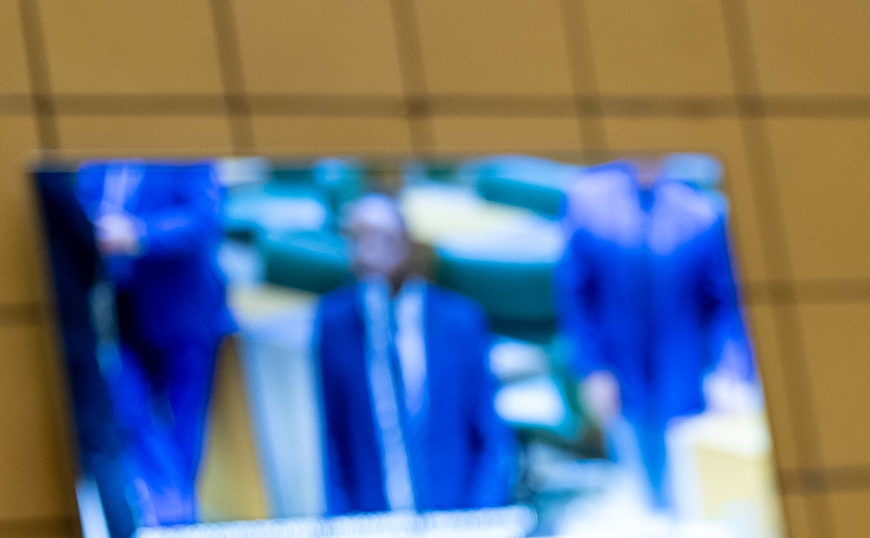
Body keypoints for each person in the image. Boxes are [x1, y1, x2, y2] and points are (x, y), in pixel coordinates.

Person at [554, 158, 754, 513]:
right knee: (641, 492)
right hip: (621, 376)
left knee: (693, 498)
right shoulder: (586, 201)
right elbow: (576, 295)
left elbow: (726, 303)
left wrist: (730, 372)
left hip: (687, 378)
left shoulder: (701, 212)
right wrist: (593, 369)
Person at [316, 195, 514, 516]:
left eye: (383, 238)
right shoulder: (336, 324)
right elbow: (332, 440)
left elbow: (490, 438)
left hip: (455, 524)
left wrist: (480, 521)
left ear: (409, 242)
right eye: (358, 238)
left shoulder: (460, 323)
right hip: (373, 527)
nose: (370, 251)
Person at [75, 160, 233, 527]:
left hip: (184, 312)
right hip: (119, 310)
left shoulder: (186, 150)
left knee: (183, 428)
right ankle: (169, 514)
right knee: (130, 412)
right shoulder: (95, 159)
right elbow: (82, 206)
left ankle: (180, 524)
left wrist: (138, 234)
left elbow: (203, 222)